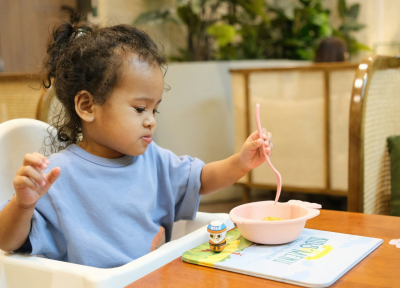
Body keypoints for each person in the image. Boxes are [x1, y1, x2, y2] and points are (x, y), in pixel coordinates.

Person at [0, 18, 272, 268]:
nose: (151, 120)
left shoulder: (152, 158)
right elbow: (7, 242)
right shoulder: (56, 175)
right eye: (140, 108)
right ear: (87, 105)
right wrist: (24, 205)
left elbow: (201, 179)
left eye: (155, 110)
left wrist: (240, 162)